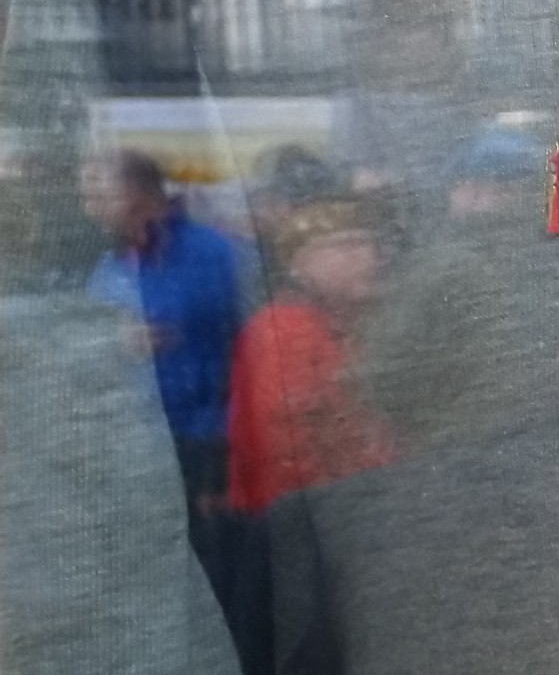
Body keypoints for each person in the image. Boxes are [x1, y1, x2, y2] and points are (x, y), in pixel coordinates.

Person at [80, 145, 254, 518]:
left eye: (101, 197)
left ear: (143, 194)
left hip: (212, 440)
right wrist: (113, 343)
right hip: (145, 442)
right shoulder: (110, 267)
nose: (90, 210)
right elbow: (94, 356)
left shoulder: (212, 252)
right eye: (87, 198)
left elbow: (243, 342)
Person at [226, 185, 396, 511]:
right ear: (300, 264)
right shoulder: (284, 333)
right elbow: (288, 455)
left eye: (372, 244)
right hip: (329, 514)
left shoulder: (346, 323)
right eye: (347, 246)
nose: (371, 257)